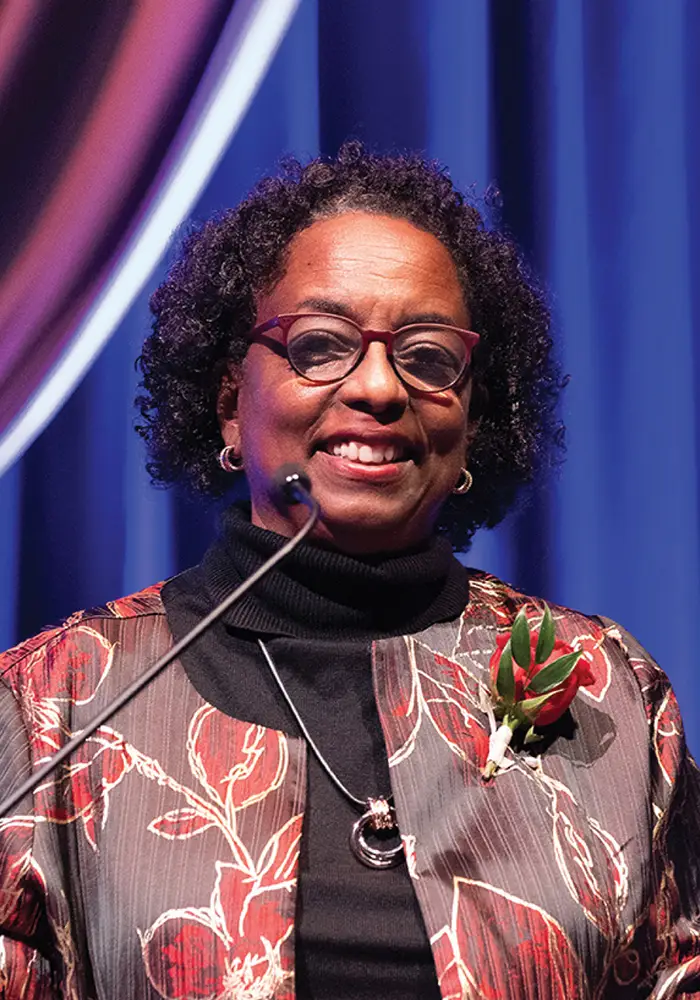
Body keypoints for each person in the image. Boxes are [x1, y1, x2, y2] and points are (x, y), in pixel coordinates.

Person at [0, 142, 698, 1000]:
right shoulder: (56, 705)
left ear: (476, 418)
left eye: (430, 357)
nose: (378, 387)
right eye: (321, 345)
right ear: (229, 399)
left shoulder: (607, 692)